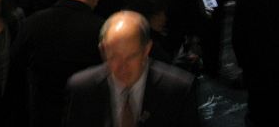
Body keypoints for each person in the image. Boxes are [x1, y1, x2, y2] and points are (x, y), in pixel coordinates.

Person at [65, 11, 199, 126]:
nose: (123, 67)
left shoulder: (178, 90)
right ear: (103, 50)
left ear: (147, 49)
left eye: (131, 57)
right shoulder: (82, 88)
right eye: (114, 57)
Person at [10, 0, 106, 127]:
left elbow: (15, 66)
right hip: (82, 113)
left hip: (40, 111)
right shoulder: (102, 30)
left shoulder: (34, 22)